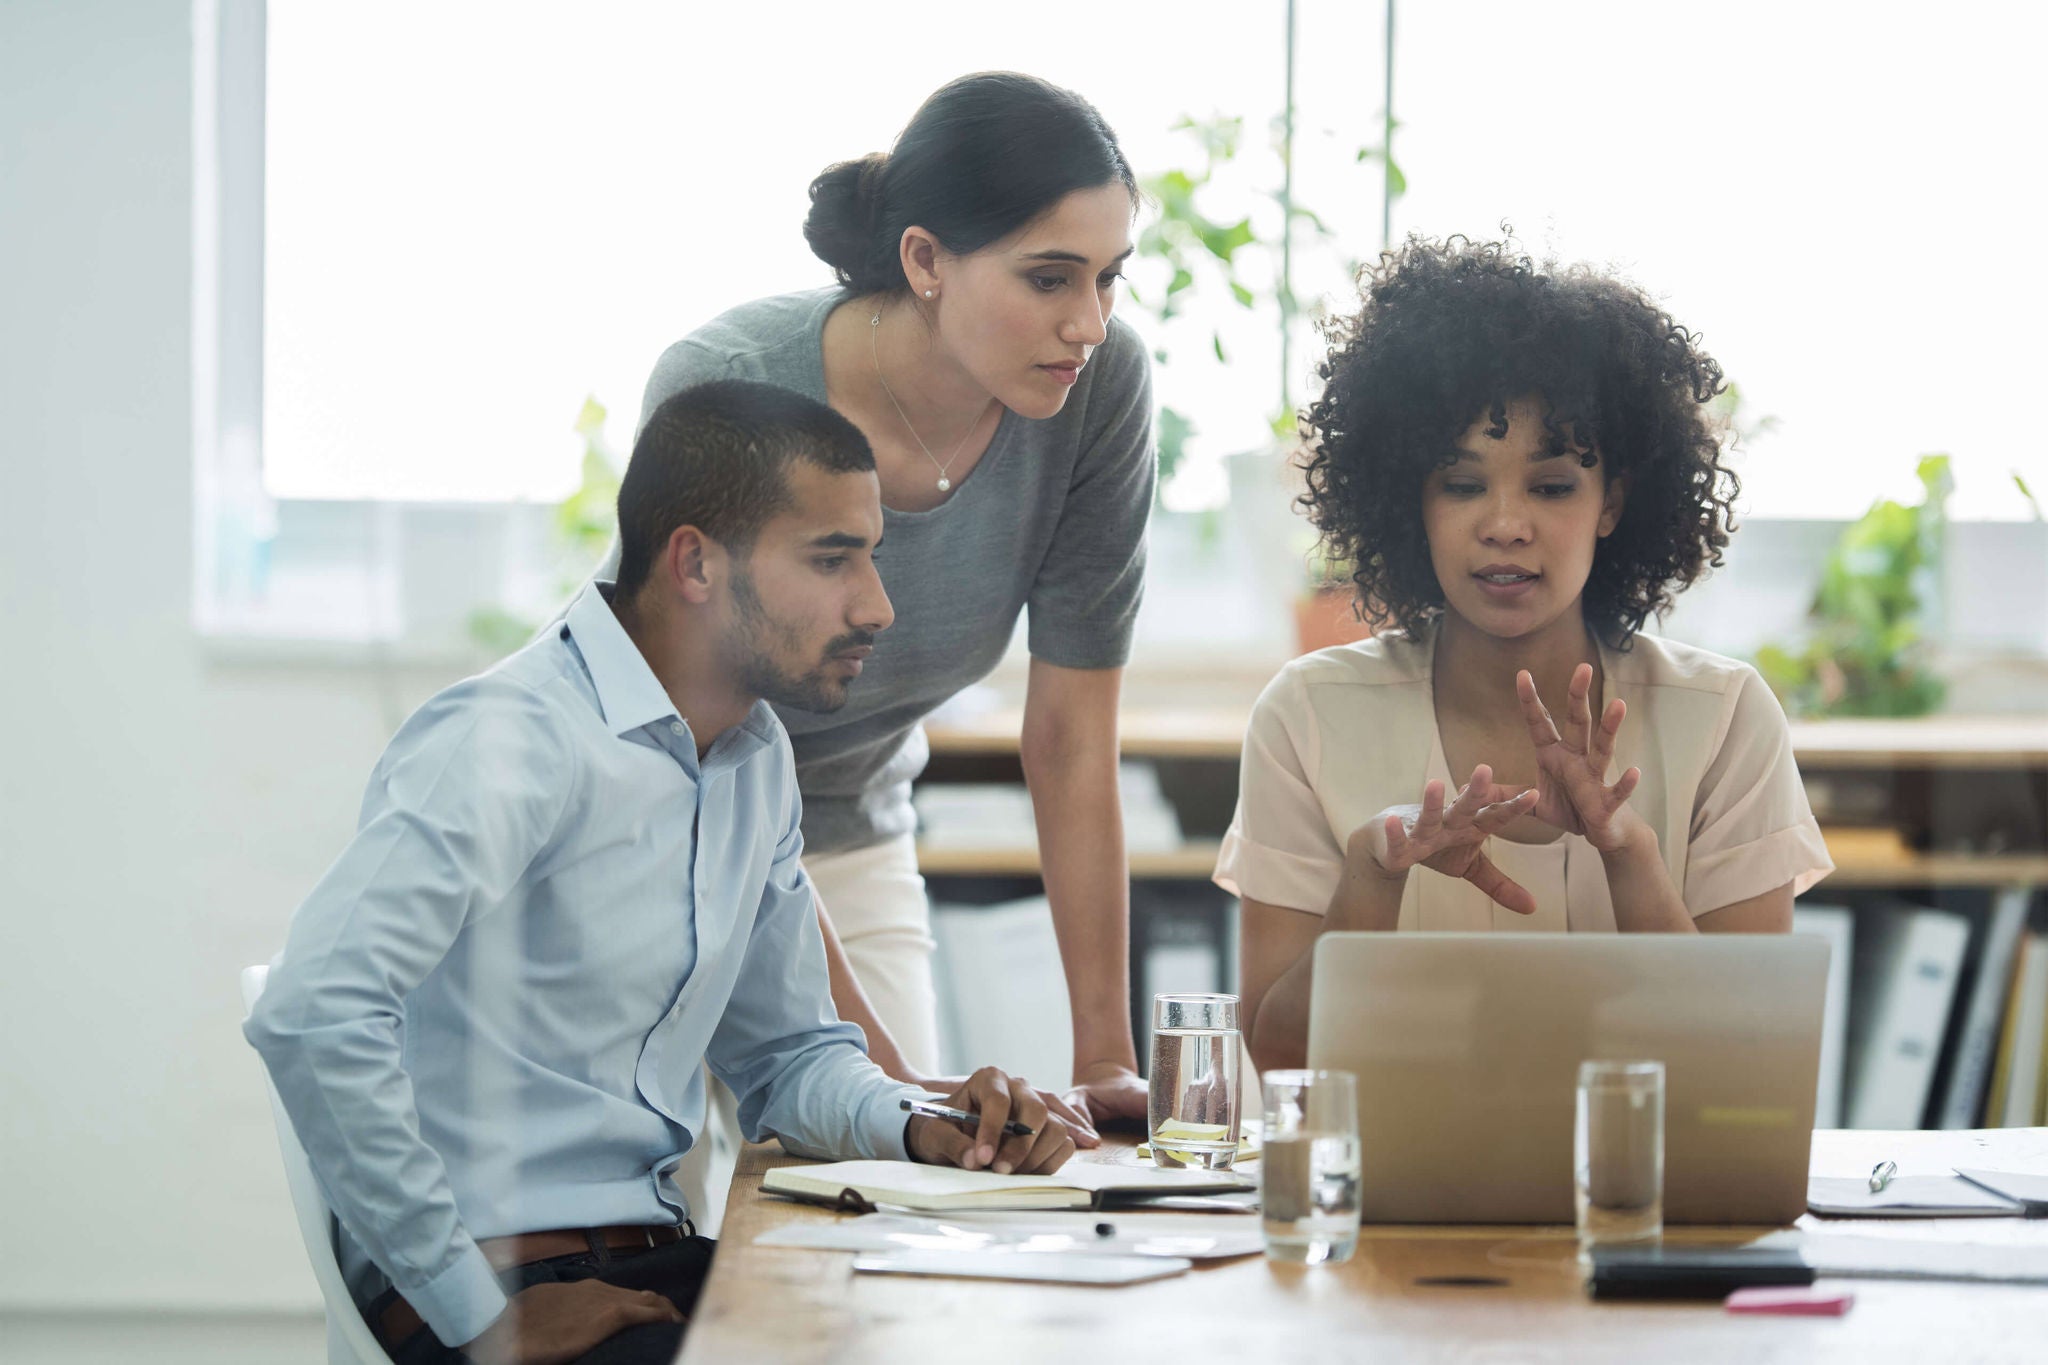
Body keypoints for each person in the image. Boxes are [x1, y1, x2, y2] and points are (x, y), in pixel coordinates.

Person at [245, 380, 1073, 1365]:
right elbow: (313, 1007)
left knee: (987, 1329)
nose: (877, 607)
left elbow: (787, 1057)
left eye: (871, 557)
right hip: (506, 1288)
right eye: (830, 559)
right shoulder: (509, 742)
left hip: (652, 1265)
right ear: (695, 564)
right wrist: (476, 1314)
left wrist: (923, 1124)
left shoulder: (750, 755)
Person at [606, 71, 1155, 1128]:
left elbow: (1071, 740)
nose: (1086, 324)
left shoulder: (1096, 395)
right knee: (707, 1232)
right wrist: (882, 1081)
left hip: (851, 831)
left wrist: (1105, 1061)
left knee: (882, 1229)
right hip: (663, 832)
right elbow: (705, 752)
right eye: (1048, 279)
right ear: (923, 260)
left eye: (1107, 279)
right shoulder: (730, 386)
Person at [1218, 236, 1835, 1073]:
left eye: (1551, 486)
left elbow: (1749, 1069)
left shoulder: (1724, 718)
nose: (1505, 522)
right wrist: (1371, 875)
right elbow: (1276, 1062)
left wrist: (1631, 855)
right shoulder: (1308, 714)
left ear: (1612, 501)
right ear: (1413, 499)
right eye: (1463, 484)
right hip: (1389, 1196)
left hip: (1644, 1198)